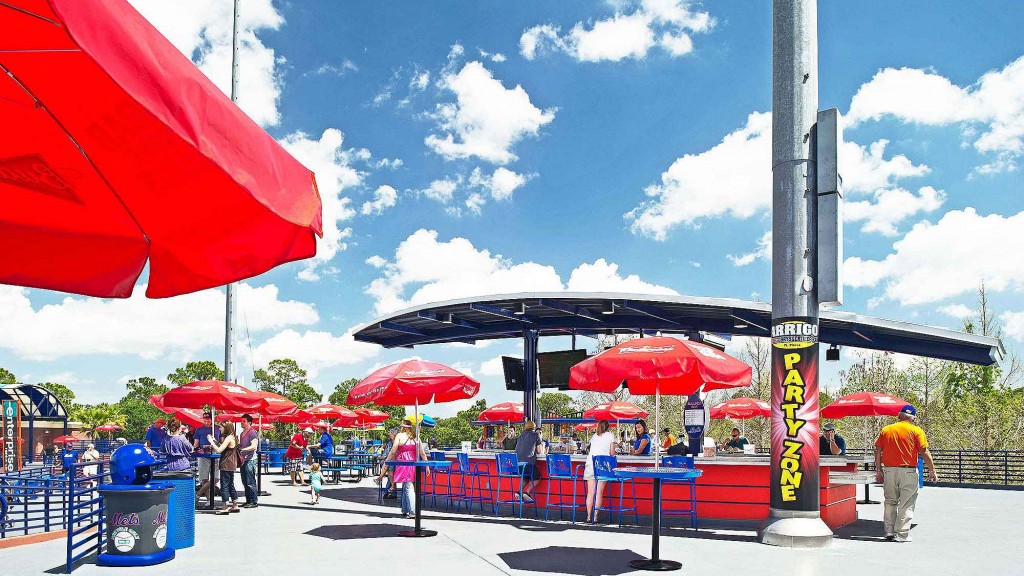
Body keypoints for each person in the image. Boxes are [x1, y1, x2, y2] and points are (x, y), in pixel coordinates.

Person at [874, 405, 938, 543]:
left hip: (889, 471)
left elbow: (877, 450)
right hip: (908, 471)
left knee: (890, 501)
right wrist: (932, 470)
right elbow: (924, 451)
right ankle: (901, 534)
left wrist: (879, 470)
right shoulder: (916, 431)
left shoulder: (886, 430)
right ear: (913, 418)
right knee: (907, 502)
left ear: (899, 416)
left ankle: (889, 531)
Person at [383, 418, 428, 519]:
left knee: (408, 487)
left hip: (403, 463)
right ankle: (404, 509)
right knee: (406, 485)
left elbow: (393, 451)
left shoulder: (399, 436)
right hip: (413, 463)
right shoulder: (416, 437)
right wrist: (427, 465)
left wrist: (387, 460)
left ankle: (412, 512)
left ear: (403, 427)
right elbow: (422, 453)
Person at [584, 420, 616, 524]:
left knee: (590, 492)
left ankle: (588, 516)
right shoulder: (610, 435)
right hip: (602, 465)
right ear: (608, 427)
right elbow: (612, 453)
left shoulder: (594, 436)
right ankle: (595, 517)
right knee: (599, 492)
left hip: (590, 464)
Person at [208, 421, 240, 515]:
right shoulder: (232, 437)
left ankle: (225, 506)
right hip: (231, 464)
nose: (220, 429)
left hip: (226, 464)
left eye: (221, 427)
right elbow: (223, 447)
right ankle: (235, 504)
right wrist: (215, 441)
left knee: (224, 485)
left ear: (226, 428)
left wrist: (211, 442)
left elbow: (219, 450)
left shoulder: (229, 438)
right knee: (230, 484)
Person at [514, 421, 546, 502]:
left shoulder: (521, 435)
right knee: (537, 477)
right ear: (534, 427)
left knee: (526, 477)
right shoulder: (536, 435)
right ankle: (527, 492)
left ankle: (519, 492)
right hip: (528, 463)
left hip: (517, 465)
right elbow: (539, 451)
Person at [194, 412, 220, 503]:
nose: (206, 423)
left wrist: (214, 444)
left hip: (215, 455)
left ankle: (198, 494)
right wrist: (199, 448)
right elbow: (196, 444)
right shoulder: (199, 430)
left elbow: (221, 442)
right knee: (204, 478)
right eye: (204, 421)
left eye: (208, 421)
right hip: (203, 455)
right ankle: (209, 499)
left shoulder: (217, 429)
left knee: (216, 478)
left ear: (212, 420)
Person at [237, 414, 260, 508]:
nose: (242, 423)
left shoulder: (252, 433)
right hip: (243, 460)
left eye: (244, 421)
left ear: (249, 423)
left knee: (250, 481)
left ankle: (254, 501)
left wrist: (243, 449)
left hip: (250, 460)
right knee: (245, 481)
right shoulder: (242, 434)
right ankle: (248, 500)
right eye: (241, 421)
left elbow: (254, 446)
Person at [374, 427, 399, 499]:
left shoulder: (397, 442)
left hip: (395, 460)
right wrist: (381, 458)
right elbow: (387, 453)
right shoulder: (389, 442)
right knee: (389, 467)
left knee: (390, 467)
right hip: (389, 460)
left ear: (394, 434)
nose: (389, 434)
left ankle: (381, 479)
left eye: (390, 433)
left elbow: (395, 453)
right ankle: (390, 491)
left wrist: (382, 458)